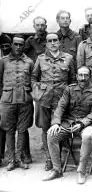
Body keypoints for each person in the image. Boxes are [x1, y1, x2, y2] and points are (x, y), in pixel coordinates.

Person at [43, 66, 92, 184]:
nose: (83, 78)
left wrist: (81, 124)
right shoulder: (69, 89)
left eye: (86, 75)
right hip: (69, 122)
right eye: (80, 75)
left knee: (87, 136)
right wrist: (56, 123)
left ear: (90, 77)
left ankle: (81, 171)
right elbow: (61, 106)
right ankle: (57, 170)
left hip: (87, 124)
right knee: (51, 134)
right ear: (76, 76)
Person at [31, 33, 76, 171]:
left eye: (55, 40)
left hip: (61, 99)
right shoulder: (41, 58)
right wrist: (37, 92)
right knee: (45, 128)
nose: (52, 43)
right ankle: (49, 159)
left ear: (59, 42)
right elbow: (33, 77)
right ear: (46, 43)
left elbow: (73, 79)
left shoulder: (68, 58)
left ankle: (59, 158)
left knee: (59, 128)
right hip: (44, 100)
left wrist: (69, 96)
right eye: (49, 41)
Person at [0, 35, 34, 171]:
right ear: (12, 45)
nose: (18, 47)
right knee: (9, 130)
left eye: (21, 44)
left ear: (23, 45)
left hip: (25, 100)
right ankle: (11, 160)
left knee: (22, 130)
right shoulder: (3, 61)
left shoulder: (29, 62)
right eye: (16, 44)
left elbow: (33, 81)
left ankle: (19, 159)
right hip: (7, 100)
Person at [0, 33, 12, 166]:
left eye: (7, 46)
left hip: (5, 97)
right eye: (2, 46)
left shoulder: (6, 60)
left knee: (3, 127)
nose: (5, 48)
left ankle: (2, 155)